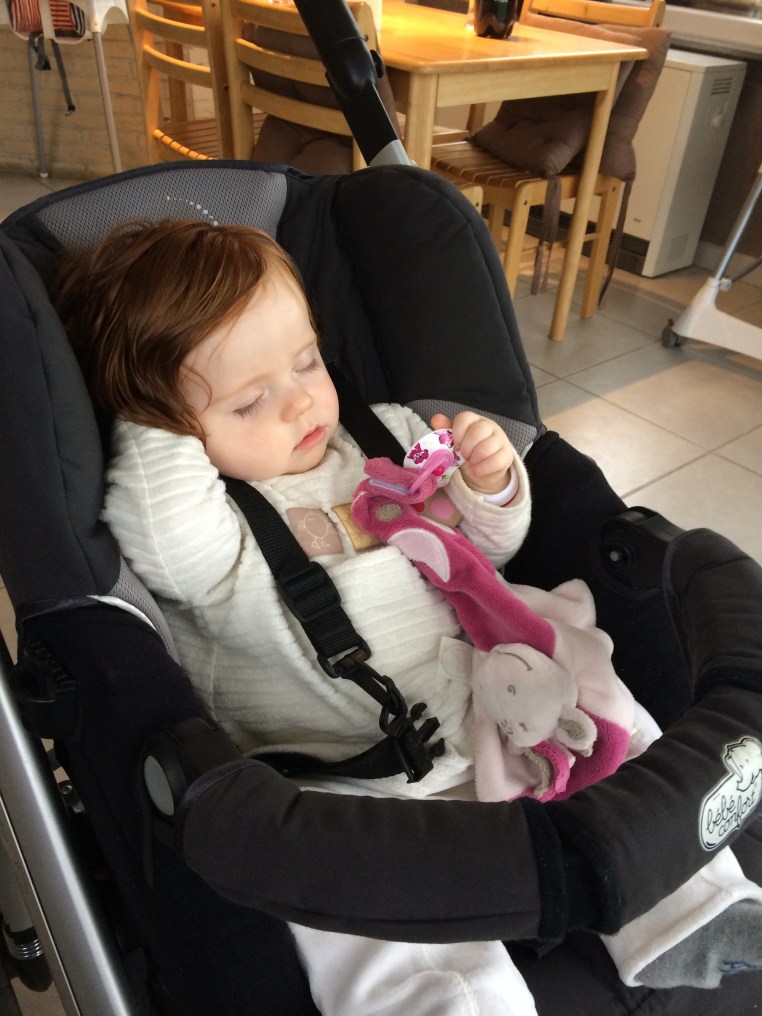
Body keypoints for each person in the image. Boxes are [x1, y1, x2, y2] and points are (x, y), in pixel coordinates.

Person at [54, 219, 762, 1016]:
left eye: (307, 360)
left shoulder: (382, 435)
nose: (301, 401)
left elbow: (486, 553)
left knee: (613, 729)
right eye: (250, 400)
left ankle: (694, 906)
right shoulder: (204, 531)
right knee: (352, 912)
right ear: (172, 429)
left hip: (487, 709)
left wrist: (490, 487)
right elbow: (154, 509)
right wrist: (141, 394)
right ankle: (451, 1005)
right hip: (339, 783)